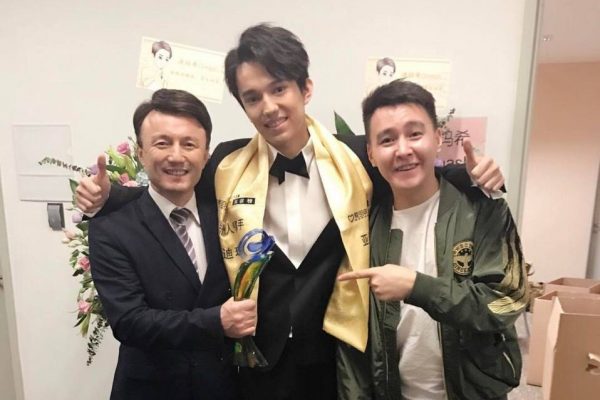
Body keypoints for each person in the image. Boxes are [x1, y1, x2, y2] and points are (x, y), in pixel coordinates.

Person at [77, 24, 504, 400]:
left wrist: (476, 176)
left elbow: (412, 170)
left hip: (337, 354)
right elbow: (172, 192)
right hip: (258, 361)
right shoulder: (226, 165)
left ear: (306, 89)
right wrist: (109, 199)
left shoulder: (356, 157)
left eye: (279, 88)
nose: (268, 107)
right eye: (253, 97)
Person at [338, 80, 528, 400]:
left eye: (415, 134)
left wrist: (416, 286)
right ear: (370, 153)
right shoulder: (362, 228)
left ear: (438, 138)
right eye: (387, 139)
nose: (403, 150)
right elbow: (350, 335)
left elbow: (504, 302)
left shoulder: (482, 207)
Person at [88, 89, 257, 400]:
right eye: (162, 143)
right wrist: (216, 321)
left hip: (221, 388)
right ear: (141, 153)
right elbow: (129, 322)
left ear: (206, 155)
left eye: (189, 144)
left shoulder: (227, 212)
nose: (176, 156)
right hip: (151, 389)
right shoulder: (111, 227)